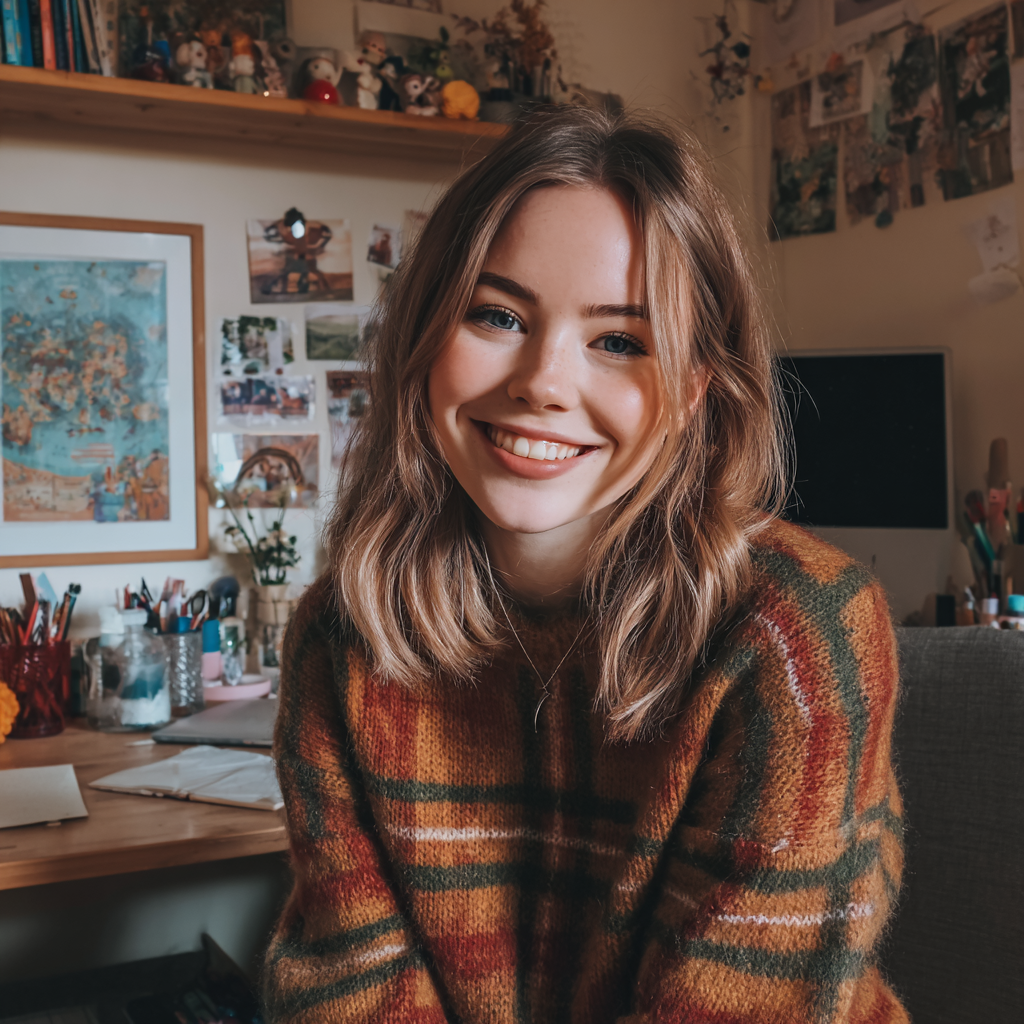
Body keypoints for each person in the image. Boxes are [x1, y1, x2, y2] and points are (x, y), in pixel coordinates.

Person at [262, 107, 906, 1023]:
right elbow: (350, 990)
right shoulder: (341, 633)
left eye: (618, 342)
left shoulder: (802, 631)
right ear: (421, 339)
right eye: (495, 315)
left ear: (691, 391)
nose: (543, 382)